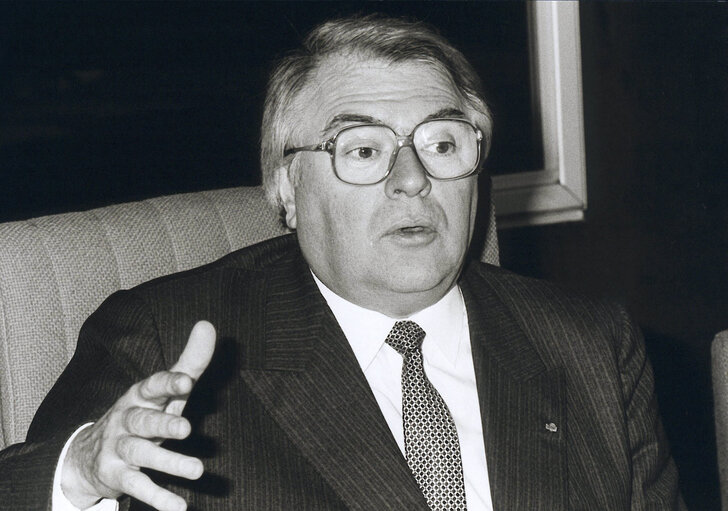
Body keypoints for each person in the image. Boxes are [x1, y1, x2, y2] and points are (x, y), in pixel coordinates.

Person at [0, 14, 685, 511]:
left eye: (442, 144)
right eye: (363, 150)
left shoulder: (592, 341)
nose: (413, 178)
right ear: (287, 188)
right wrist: (83, 470)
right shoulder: (162, 340)